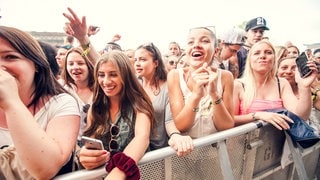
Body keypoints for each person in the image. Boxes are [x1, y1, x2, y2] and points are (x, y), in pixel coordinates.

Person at [0, 26, 80, 179]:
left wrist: (11, 102)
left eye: (10, 57)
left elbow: (45, 169)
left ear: (36, 64)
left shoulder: (61, 103)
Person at [76, 50, 155, 179]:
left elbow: (142, 138)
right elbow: (91, 144)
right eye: (101, 75)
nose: (106, 82)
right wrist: (85, 156)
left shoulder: (140, 105)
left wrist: (118, 172)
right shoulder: (95, 109)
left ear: (126, 76)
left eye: (113, 75)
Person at [233, 40, 317, 130]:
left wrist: (304, 87)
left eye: (268, 52)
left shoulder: (281, 83)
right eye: (257, 53)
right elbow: (229, 120)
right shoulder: (238, 85)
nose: (262, 56)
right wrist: (258, 115)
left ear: (274, 59)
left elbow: (300, 116)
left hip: (274, 143)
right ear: (249, 60)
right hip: (243, 142)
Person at [167, 26, 234, 138]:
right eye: (190, 42)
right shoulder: (175, 76)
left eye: (205, 41)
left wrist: (214, 94)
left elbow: (226, 126)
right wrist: (196, 96)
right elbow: (180, 126)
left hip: (217, 148)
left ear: (216, 51)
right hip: (187, 150)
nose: (196, 45)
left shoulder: (226, 77)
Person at [134, 42, 193, 155]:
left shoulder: (167, 86)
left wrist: (176, 136)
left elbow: (169, 121)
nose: (137, 63)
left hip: (159, 152)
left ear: (156, 63)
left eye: (142, 59)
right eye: (136, 60)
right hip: (137, 150)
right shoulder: (134, 85)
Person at [61, 47, 95, 145]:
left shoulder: (101, 89)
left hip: (96, 144)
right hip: (70, 145)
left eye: (80, 63)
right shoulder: (62, 89)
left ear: (89, 65)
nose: (75, 67)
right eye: (70, 64)